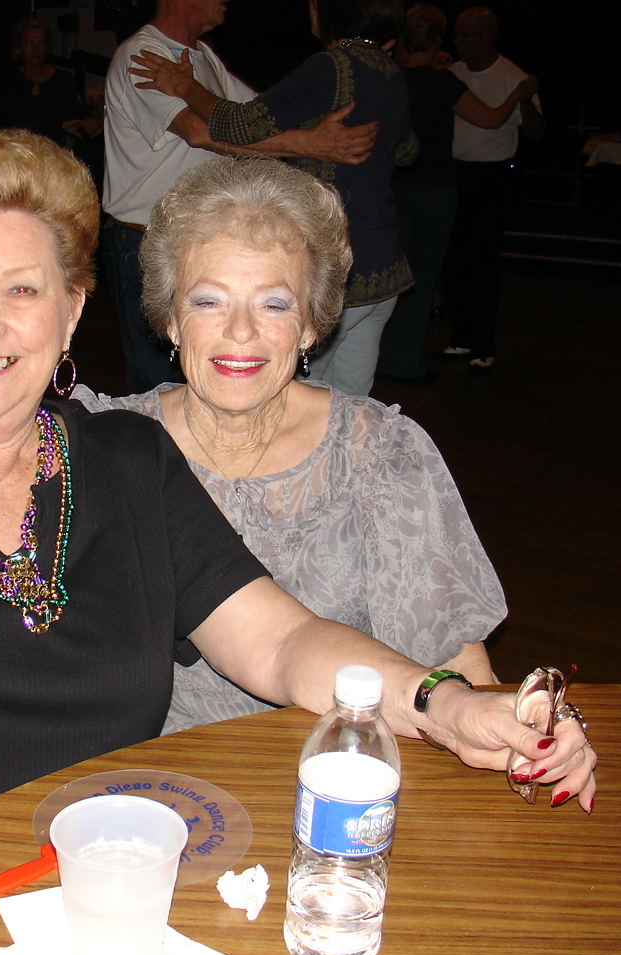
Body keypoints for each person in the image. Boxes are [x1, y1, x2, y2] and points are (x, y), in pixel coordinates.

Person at [0, 128, 596, 955]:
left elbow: (284, 642)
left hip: (65, 904)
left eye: (22, 289)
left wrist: (447, 703)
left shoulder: (128, 461)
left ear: (72, 311)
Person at [75, 155, 504, 731]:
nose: (241, 331)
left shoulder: (378, 453)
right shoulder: (107, 445)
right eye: (208, 301)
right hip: (150, 765)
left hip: (336, 758)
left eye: (274, 303)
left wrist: (491, 728)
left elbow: (457, 661)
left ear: (310, 326)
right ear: (171, 319)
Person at [131, 0, 419, 397]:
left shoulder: (333, 67)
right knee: (348, 406)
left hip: (330, 267)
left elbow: (239, 124)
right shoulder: (390, 71)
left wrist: (183, 86)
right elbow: (407, 151)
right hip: (382, 266)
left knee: (287, 401)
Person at [379, 3, 536, 380]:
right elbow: (492, 118)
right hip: (435, 189)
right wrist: (518, 94)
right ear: (437, 40)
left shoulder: (392, 78)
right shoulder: (445, 81)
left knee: (400, 276)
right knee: (425, 278)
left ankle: (394, 357)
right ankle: (407, 362)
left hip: (400, 184)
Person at [438, 5, 543, 372]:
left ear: (486, 36)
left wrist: (525, 102)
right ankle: (461, 336)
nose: (457, 41)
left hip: (491, 177)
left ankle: (483, 342)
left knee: (481, 262)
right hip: (455, 174)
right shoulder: (451, 74)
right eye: (456, 33)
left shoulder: (513, 77)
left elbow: (536, 133)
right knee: (453, 260)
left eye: (465, 35)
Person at [0, 16, 91, 146]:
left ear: (47, 47)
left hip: (52, 151)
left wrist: (89, 102)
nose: (35, 50)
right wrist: (58, 125)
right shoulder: (8, 81)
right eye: (29, 44)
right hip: (17, 150)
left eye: (40, 43)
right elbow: (2, 126)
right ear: (19, 47)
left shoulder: (63, 80)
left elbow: (79, 121)